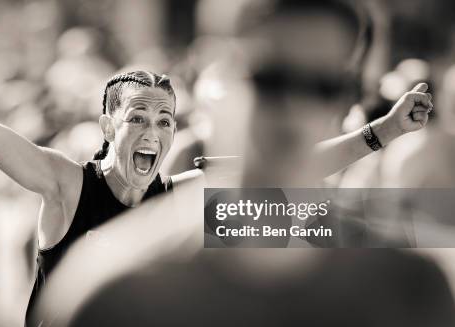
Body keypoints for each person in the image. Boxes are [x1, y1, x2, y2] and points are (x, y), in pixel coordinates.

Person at [0, 12, 431, 325]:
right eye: (139, 118)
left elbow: (288, 167)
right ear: (109, 125)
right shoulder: (66, 185)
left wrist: (386, 131)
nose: (155, 133)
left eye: (166, 122)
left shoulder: (183, 196)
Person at [39, 0, 451, 326]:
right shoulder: (118, 292)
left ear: (346, 100)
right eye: (272, 81)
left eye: (322, 87)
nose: (295, 109)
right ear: (222, 83)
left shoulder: (410, 288)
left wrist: (384, 130)